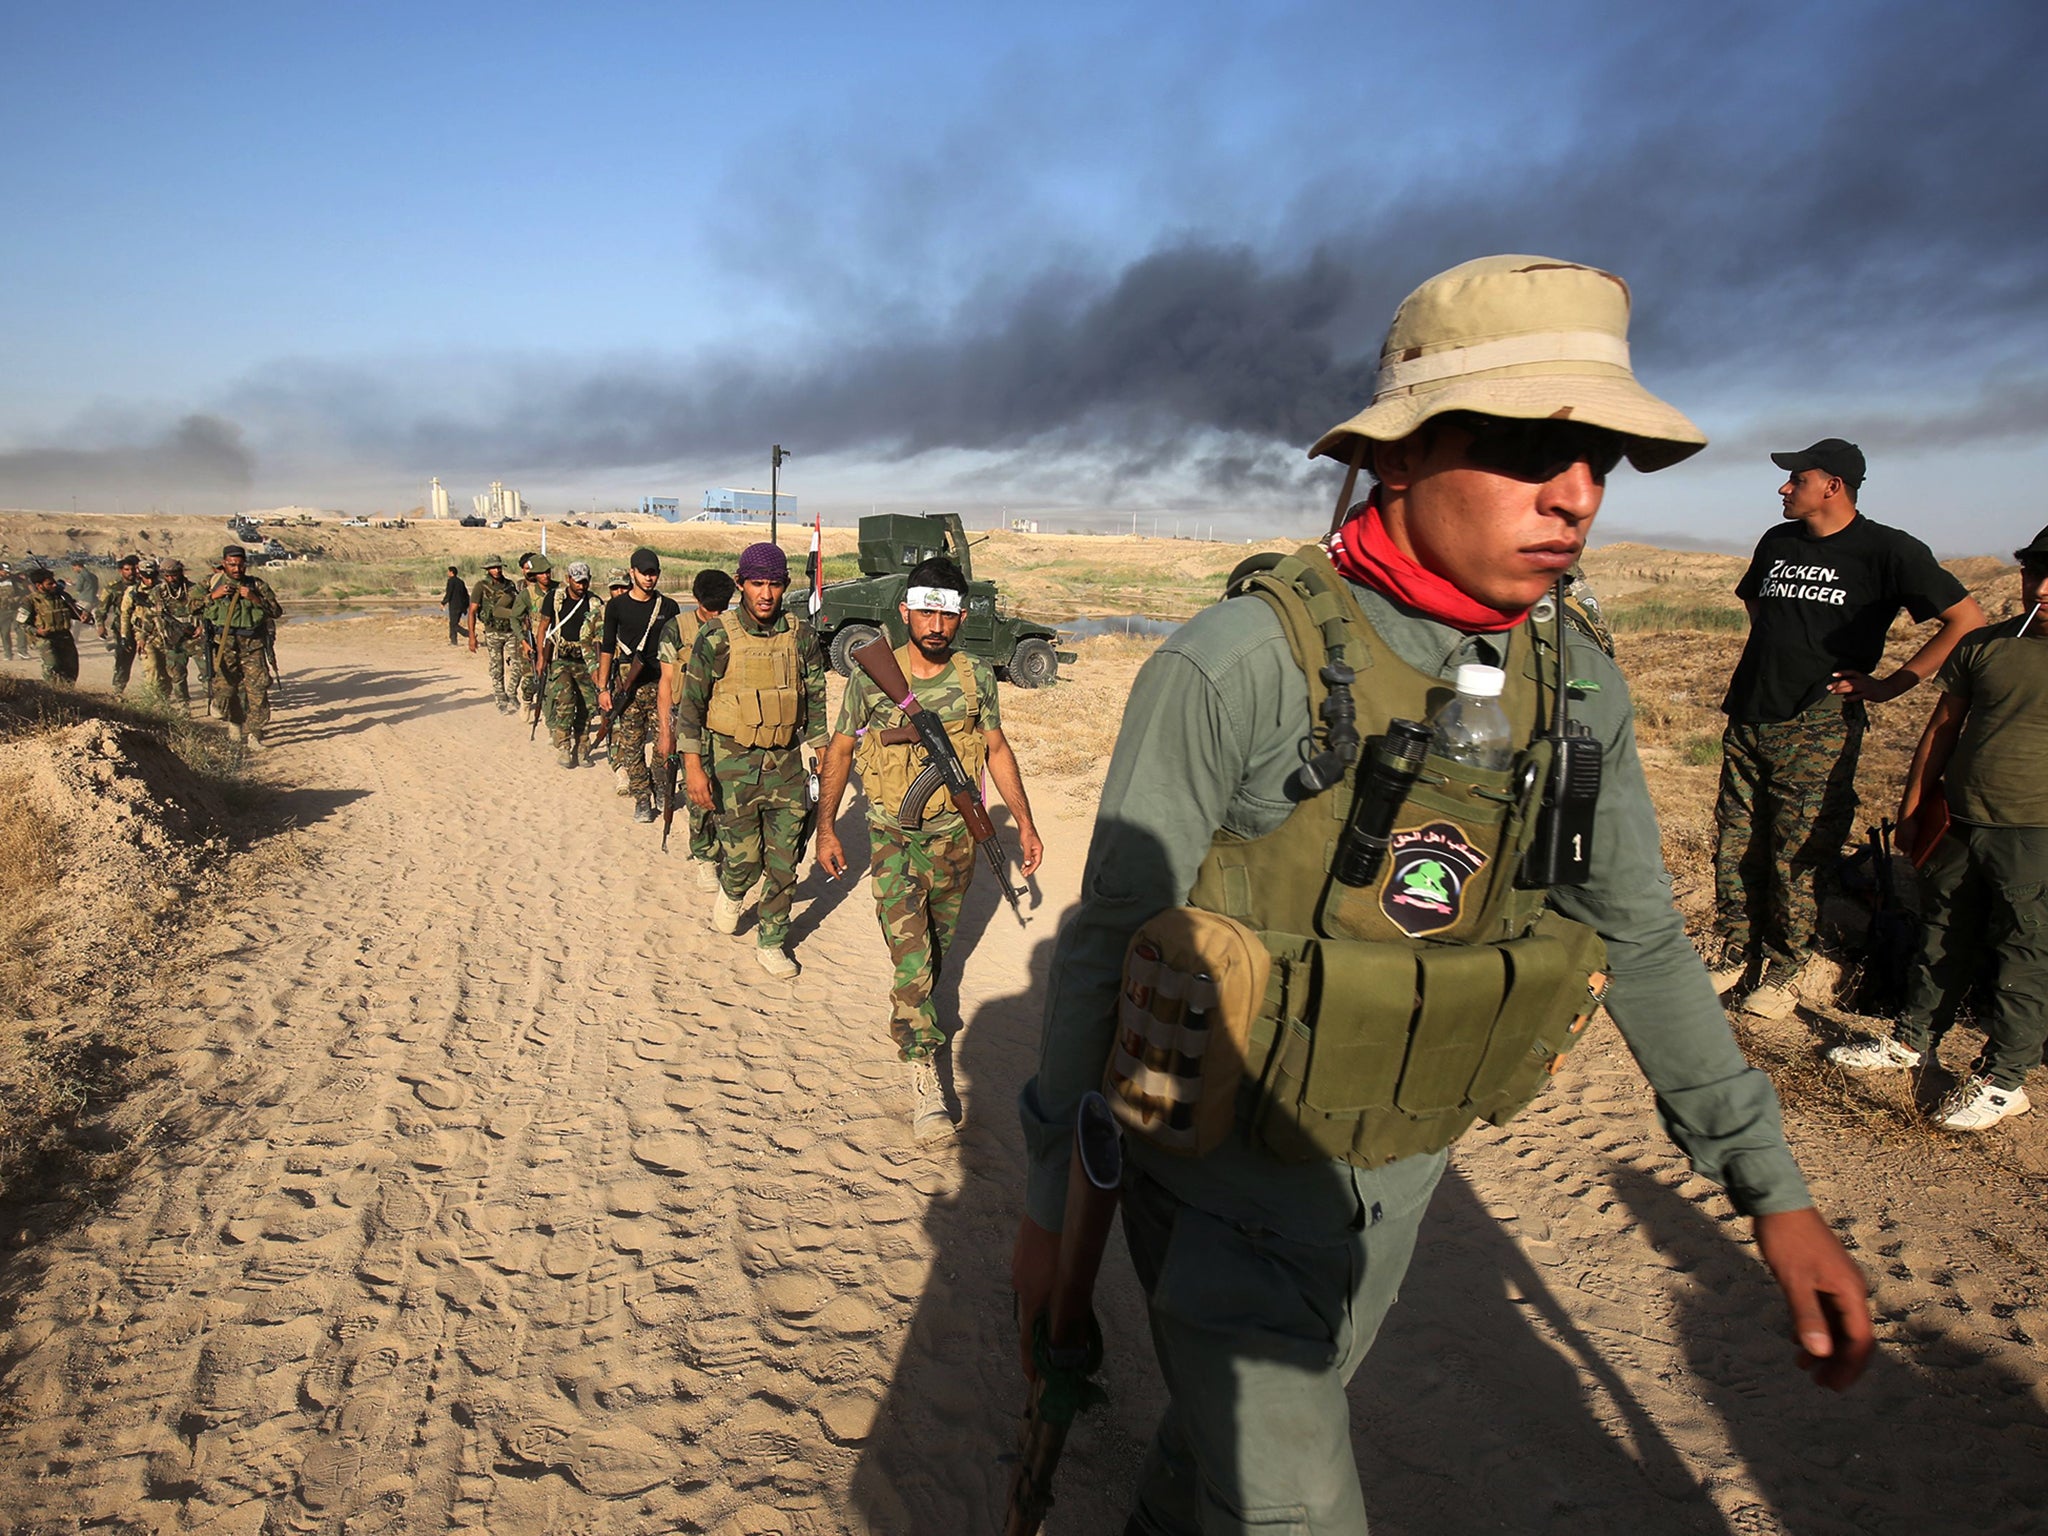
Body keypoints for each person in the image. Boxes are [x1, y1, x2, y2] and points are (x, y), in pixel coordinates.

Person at [1011, 255, 1873, 1535]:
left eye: (1601, 461)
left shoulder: (1576, 683)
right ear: (1399, 457)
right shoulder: (1238, 665)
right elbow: (1103, 945)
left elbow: (1633, 933)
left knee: (1215, 1466)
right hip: (1222, 1197)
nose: (1575, 496)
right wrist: (1047, 1217)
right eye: (1531, 447)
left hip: (1397, 1182)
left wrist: (1770, 1190)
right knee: (1296, 1506)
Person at [1708, 439, 1985, 1018]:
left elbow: (1965, 620)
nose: (1784, 488)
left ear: (1832, 486)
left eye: (1796, 479)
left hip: (1818, 722)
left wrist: (1892, 684)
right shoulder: (1777, 541)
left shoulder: (1887, 550)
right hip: (1750, 711)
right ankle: (1734, 948)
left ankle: (1787, 967)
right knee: (1736, 838)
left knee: (1800, 848)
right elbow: (1757, 607)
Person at [815, 557, 1044, 1143]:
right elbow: (839, 753)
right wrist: (827, 828)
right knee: (911, 959)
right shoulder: (872, 676)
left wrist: (1025, 824)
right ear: (905, 611)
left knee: (936, 948)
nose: (936, 625)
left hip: (956, 843)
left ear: (961, 616)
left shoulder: (975, 678)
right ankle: (923, 1068)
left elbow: (995, 750)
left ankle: (919, 1013)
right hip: (894, 839)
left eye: (947, 614)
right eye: (926, 611)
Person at [1828, 526, 2047, 1129]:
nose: (2042, 588)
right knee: (1942, 933)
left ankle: (2004, 1079)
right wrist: (1915, 806)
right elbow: (1943, 728)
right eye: (2034, 573)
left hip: (2035, 835)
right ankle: (1911, 1040)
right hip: (1960, 821)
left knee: (2026, 955)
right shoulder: (1987, 646)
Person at [675, 542, 827, 977]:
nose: (766, 594)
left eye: (775, 585)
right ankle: (733, 887)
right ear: (741, 583)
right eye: (757, 583)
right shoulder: (717, 635)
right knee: (744, 861)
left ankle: (773, 939)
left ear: (785, 587)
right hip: (732, 764)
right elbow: (692, 705)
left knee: (784, 862)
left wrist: (820, 752)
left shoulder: (801, 635)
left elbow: (815, 696)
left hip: (786, 764)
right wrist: (693, 768)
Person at [654, 568, 739, 887]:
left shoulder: (734, 629)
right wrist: (666, 731)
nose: (717, 614)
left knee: (731, 792)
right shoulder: (676, 629)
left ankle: (730, 851)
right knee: (699, 793)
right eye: (711, 608)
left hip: (729, 721)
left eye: (723, 607)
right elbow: (666, 682)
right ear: (697, 600)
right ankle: (705, 856)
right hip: (692, 723)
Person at [596, 548, 680, 823]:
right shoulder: (617, 607)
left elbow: (680, 649)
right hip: (627, 686)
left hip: (661, 685)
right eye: (644, 572)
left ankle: (657, 785)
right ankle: (642, 799)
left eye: (653, 572)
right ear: (632, 572)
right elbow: (607, 649)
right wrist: (602, 689)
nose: (649, 578)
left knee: (663, 746)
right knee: (631, 747)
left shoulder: (668, 607)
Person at [201, 544, 285, 746]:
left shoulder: (257, 585)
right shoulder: (211, 583)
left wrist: (254, 598)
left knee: (258, 690)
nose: (237, 569)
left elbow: (276, 611)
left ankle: (255, 733)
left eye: (240, 565)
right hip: (224, 646)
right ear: (224, 564)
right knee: (226, 690)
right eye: (232, 565)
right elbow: (189, 606)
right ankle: (235, 722)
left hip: (252, 645)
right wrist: (213, 596)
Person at [538, 559, 602, 768]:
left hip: (585, 662)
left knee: (587, 705)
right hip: (561, 659)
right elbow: (544, 626)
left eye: (585, 582)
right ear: (568, 580)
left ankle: (582, 747)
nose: (581, 586)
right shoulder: (555, 599)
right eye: (577, 582)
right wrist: (540, 657)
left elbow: (602, 636)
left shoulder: (594, 603)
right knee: (565, 700)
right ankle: (564, 745)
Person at [467, 557, 529, 714]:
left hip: (511, 632)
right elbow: (472, 611)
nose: (497, 570)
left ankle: (511, 693)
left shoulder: (509, 585)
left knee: (519, 665)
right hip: (492, 631)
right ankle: (500, 699)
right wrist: (472, 636)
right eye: (493, 568)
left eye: (499, 567)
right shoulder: (481, 586)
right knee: (497, 667)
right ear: (487, 570)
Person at [20, 566, 83, 684]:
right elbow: (22, 623)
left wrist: (84, 616)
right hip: (45, 639)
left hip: (64, 636)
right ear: (39, 585)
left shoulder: (61, 597)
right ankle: (52, 691)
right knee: (52, 665)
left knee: (71, 668)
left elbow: (75, 613)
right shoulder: (31, 601)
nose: (54, 585)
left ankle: (68, 693)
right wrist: (36, 631)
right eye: (50, 584)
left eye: (54, 582)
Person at [155, 559, 202, 711]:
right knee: (176, 674)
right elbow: (153, 616)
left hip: (195, 637)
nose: (171, 579)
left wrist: (201, 627)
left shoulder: (194, 589)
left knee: (208, 672)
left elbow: (207, 611)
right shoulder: (158, 592)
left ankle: (214, 700)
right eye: (167, 576)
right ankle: (184, 705)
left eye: (174, 575)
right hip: (173, 638)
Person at [120, 560, 171, 700]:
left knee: (167, 671)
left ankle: (164, 700)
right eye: (146, 576)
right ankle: (153, 701)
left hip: (165, 634)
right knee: (152, 668)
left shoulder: (164, 589)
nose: (149, 580)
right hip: (144, 636)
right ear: (140, 574)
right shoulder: (133, 592)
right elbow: (125, 614)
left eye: (152, 576)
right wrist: (124, 635)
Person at [99, 554, 141, 692]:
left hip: (143, 628)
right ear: (120, 571)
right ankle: (118, 688)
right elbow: (102, 609)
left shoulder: (143, 586)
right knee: (123, 660)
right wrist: (100, 625)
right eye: (127, 569)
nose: (131, 572)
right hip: (122, 629)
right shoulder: (113, 588)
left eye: (133, 569)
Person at [442, 564, 470, 647]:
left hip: (454, 606)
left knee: (453, 624)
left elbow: (449, 593)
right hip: (461, 606)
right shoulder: (461, 582)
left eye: (448, 571)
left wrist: (443, 602)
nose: (447, 573)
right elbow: (466, 595)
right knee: (453, 623)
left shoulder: (451, 581)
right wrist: (465, 606)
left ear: (451, 572)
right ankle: (453, 641)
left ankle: (469, 634)